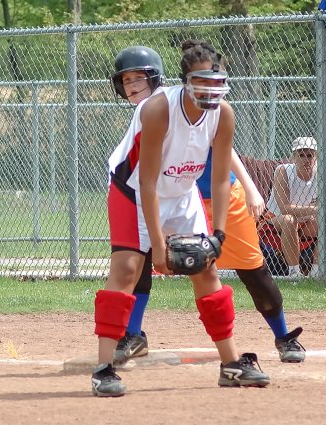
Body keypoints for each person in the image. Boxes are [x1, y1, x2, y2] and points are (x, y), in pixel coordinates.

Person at [93, 41, 270, 397]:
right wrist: (158, 246)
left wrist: (218, 234)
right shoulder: (159, 108)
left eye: (215, 82)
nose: (209, 90)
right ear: (185, 82)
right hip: (133, 190)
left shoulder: (223, 113)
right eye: (201, 82)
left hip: (183, 191)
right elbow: (147, 181)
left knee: (207, 270)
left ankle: (231, 364)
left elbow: (220, 179)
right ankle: (103, 369)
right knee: (127, 269)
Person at [110, 47, 305, 366]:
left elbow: (226, 151)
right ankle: (133, 335)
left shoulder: (202, 105)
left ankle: (283, 335)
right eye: (126, 81)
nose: (131, 86)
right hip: (175, 197)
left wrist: (251, 189)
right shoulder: (158, 109)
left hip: (220, 198)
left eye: (138, 79)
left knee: (252, 269)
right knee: (141, 261)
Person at [265, 137, 326, 278]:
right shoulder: (283, 171)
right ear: (293, 157)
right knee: (289, 219)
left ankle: (317, 271)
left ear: (316, 157)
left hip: (307, 221)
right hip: (276, 219)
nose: (306, 160)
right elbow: (285, 208)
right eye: (301, 155)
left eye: (310, 155)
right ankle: (294, 273)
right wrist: (315, 209)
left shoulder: (323, 174)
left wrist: (324, 209)